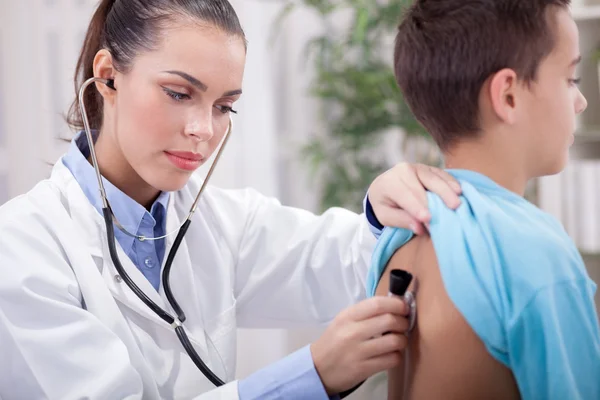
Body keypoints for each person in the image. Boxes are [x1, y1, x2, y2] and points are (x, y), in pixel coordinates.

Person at [0, 1, 463, 399]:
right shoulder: (22, 248)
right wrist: (312, 375)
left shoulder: (222, 222)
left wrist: (382, 211)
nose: (203, 130)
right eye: (179, 93)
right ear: (108, 77)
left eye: (224, 106)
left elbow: (343, 261)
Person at [367, 0, 600, 399]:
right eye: (570, 79)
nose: (581, 102)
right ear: (508, 95)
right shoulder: (533, 248)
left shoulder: (396, 238)